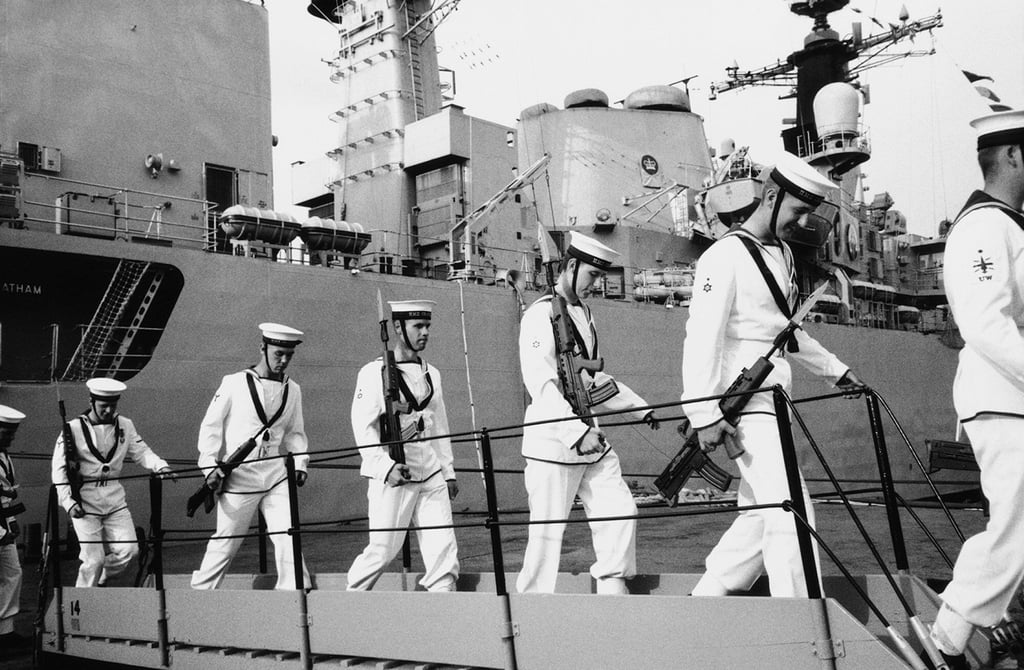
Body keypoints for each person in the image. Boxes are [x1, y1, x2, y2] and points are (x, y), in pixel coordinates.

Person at [682, 151, 863, 599]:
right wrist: (703, 414)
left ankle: (705, 601)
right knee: (790, 508)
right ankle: (803, 618)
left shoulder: (782, 254)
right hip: (743, 404)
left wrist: (836, 371)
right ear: (769, 197)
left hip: (775, 399)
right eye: (797, 210)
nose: (801, 223)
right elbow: (702, 336)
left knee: (760, 515)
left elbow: (785, 331)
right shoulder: (723, 256)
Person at [926, 109, 1024, 670]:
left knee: (1013, 528)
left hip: (1014, 397)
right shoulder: (985, 226)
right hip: (1003, 399)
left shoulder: (1008, 224)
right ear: (1011, 155)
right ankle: (946, 641)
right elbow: (987, 324)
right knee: (1015, 530)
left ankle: (967, 631)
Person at [516, 231, 659, 595]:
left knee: (620, 510)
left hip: (590, 438)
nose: (596, 284)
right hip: (555, 441)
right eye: (592, 275)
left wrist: (641, 410)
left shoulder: (584, 314)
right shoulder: (540, 315)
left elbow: (593, 380)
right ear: (571, 266)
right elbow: (541, 383)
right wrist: (576, 433)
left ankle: (612, 588)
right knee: (546, 537)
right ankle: (532, 608)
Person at [347, 300, 459, 592]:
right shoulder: (373, 372)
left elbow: (440, 426)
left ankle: (445, 604)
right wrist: (385, 467)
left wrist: (448, 472)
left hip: (430, 472)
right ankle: (349, 600)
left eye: (428, 326)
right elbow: (363, 427)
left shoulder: (432, 374)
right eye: (418, 326)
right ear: (398, 328)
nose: (425, 332)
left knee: (443, 551)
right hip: (396, 472)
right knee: (382, 551)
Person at [191, 323, 312, 590]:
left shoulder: (293, 389)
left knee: (288, 535)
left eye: (289, 355)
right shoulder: (234, 383)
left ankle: (295, 593)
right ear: (262, 348)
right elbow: (211, 426)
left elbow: (295, 432)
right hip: (240, 475)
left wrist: (300, 463)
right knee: (227, 541)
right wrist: (209, 466)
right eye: (278, 354)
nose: (284, 361)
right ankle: (200, 593)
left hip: (275, 474)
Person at [51, 379, 176, 587]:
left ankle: (101, 579)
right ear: (91, 402)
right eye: (103, 406)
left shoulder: (125, 425)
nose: (109, 410)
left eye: (113, 405)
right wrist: (68, 502)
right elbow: (59, 470)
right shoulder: (72, 429)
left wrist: (160, 466)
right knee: (94, 560)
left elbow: (141, 451)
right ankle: (82, 599)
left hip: (114, 498)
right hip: (84, 500)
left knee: (130, 551)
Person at [0, 405, 29, 650]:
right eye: (7, 432)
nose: (11, 437)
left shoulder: (3, 456)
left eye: (13, 432)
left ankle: (5, 631)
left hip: (3, 524)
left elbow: (5, 496)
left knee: (13, 573)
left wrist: (11, 522)